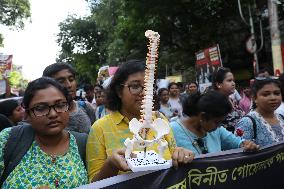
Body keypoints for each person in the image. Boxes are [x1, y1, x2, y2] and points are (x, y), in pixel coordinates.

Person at [87, 60, 194, 182]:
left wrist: (180, 154)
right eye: (135, 86)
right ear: (118, 91)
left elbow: (173, 154)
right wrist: (111, 165)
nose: (144, 93)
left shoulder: (160, 119)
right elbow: (93, 184)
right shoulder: (100, 128)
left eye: (149, 87)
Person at [170, 91, 259, 155]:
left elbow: (238, 143)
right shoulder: (171, 131)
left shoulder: (217, 130)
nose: (219, 126)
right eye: (216, 122)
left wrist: (246, 144)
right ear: (203, 116)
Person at [43, 62, 96, 134]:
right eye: (61, 81)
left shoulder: (86, 107)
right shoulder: (44, 115)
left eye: (71, 79)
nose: (69, 85)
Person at [235, 77, 284, 147]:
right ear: (254, 98)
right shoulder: (247, 122)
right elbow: (239, 150)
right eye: (266, 94)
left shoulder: (281, 117)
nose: (273, 98)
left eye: (277, 93)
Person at [212, 67, 244, 132]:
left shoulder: (231, 100)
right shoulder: (215, 104)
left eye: (233, 80)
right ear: (218, 84)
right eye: (229, 80)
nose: (233, 83)